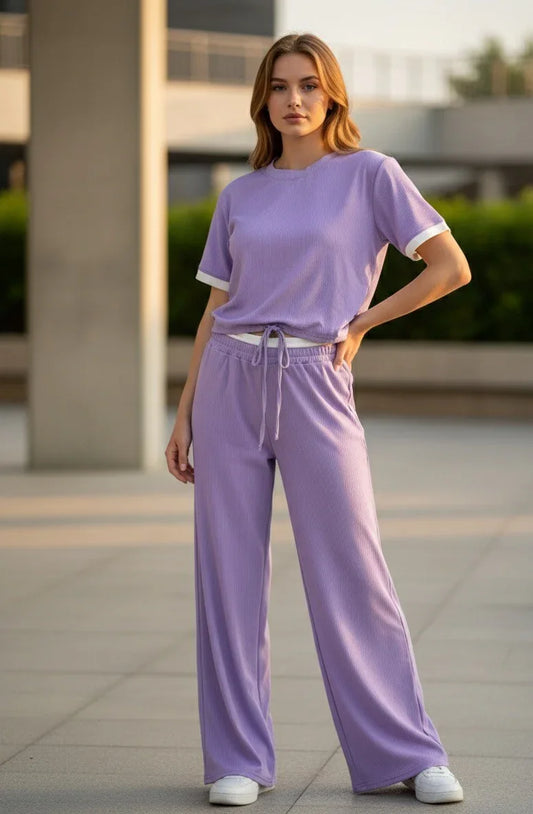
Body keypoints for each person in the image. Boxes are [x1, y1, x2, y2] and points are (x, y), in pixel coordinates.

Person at [165, 32, 471, 808]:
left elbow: (448, 267)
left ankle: (406, 752)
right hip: (229, 381)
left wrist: (362, 322)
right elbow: (215, 308)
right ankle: (236, 760)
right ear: (261, 100)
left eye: (307, 85)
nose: (293, 100)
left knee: (353, 573)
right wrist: (184, 412)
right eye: (278, 87)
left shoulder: (371, 175)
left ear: (331, 94)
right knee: (227, 578)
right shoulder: (242, 193)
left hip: (314, 379)